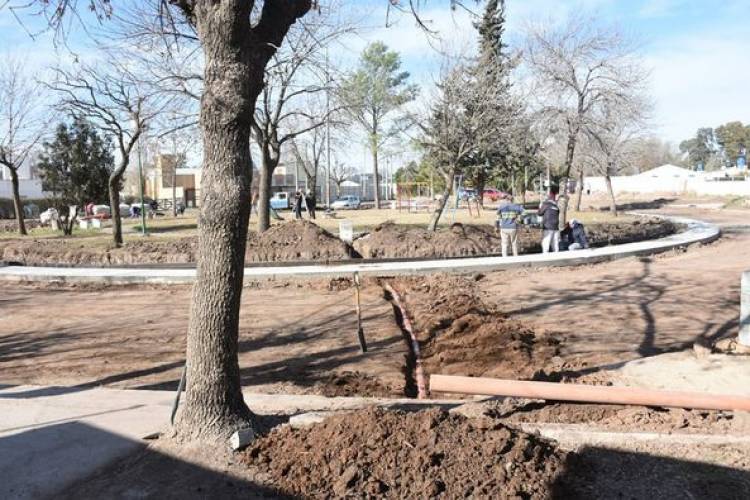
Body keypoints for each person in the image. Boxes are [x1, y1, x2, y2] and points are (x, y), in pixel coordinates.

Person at [538, 188, 560, 253]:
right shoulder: (556, 205)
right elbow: (558, 213)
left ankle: (545, 255)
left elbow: (540, 213)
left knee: (546, 241)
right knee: (555, 242)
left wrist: (540, 207)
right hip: (556, 226)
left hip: (548, 226)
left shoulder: (545, 204)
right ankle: (556, 254)